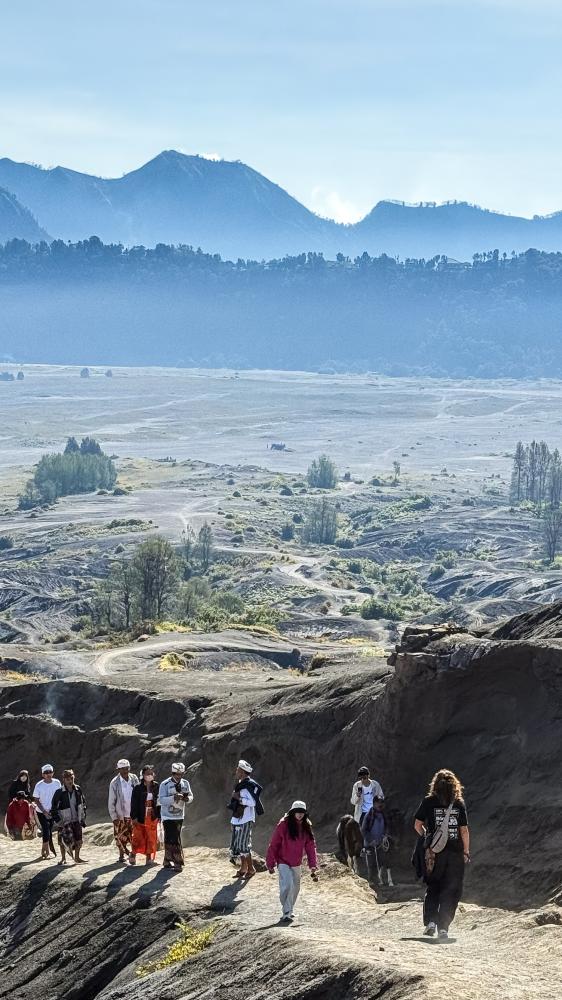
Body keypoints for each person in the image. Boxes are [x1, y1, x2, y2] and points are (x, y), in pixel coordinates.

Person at [414, 768, 470, 940]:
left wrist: (429, 839)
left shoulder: (428, 801)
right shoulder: (458, 804)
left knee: (433, 888)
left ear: (435, 785)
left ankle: (431, 922)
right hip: (455, 855)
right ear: (455, 786)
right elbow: (464, 831)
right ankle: (443, 928)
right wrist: (466, 851)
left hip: (434, 854)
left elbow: (417, 825)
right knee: (450, 890)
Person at [266, 800, 319, 924]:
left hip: (296, 862)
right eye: (297, 812)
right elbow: (274, 844)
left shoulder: (306, 826)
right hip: (283, 860)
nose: (299, 814)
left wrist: (313, 865)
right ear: (292, 812)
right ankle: (286, 912)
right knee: (288, 885)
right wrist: (270, 862)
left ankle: (289, 908)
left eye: (302, 812)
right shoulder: (283, 824)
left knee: (295, 887)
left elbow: (311, 846)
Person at [228, 759, 262, 879]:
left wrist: (239, 798)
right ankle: (243, 868)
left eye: (238, 769)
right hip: (238, 818)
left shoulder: (249, 785)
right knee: (238, 845)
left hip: (246, 819)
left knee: (244, 845)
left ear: (242, 771)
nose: (236, 771)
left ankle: (251, 869)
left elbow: (253, 802)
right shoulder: (240, 783)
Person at [158, 763, 193, 870]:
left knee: (171, 837)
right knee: (174, 838)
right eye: (176, 774)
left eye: (181, 774)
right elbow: (161, 800)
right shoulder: (164, 784)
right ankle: (178, 862)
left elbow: (191, 796)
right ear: (172, 773)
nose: (179, 776)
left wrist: (187, 799)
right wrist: (173, 798)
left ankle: (167, 860)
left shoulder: (185, 783)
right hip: (167, 816)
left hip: (179, 815)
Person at [51, 769, 87, 865]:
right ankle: (63, 859)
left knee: (79, 840)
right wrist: (58, 821)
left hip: (76, 819)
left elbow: (83, 803)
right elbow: (53, 808)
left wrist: (83, 817)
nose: (70, 781)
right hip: (64, 821)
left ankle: (77, 857)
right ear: (64, 780)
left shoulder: (78, 789)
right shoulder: (59, 792)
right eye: (67, 779)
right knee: (63, 841)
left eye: (71, 778)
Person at [108, 758, 139, 862]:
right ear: (119, 770)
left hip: (133, 814)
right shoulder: (114, 783)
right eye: (122, 769)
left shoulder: (134, 778)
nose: (125, 771)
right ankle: (122, 855)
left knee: (134, 836)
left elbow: (139, 794)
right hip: (121, 815)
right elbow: (111, 801)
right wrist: (114, 817)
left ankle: (132, 856)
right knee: (120, 837)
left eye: (127, 768)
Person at [130, 764, 160, 865]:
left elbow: (159, 801)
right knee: (138, 836)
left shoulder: (156, 786)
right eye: (147, 774)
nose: (150, 775)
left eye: (151, 773)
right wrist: (133, 817)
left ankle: (148, 858)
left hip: (152, 815)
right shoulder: (137, 788)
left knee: (150, 837)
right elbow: (133, 803)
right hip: (140, 815)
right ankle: (133, 855)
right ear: (143, 775)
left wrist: (159, 814)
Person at [362, 797, 394, 886]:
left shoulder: (383, 814)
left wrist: (386, 835)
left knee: (380, 861)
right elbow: (364, 830)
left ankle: (379, 881)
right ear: (374, 803)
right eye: (378, 803)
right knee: (371, 863)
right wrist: (370, 840)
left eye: (381, 803)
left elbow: (387, 826)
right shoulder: (369, 815)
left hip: (380, 843)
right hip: (370, 844)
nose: (380, 805)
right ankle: (371, 882)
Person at [33, 764, 61, 860]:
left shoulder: (57, 783)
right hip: (41, 811)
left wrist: (57, 809)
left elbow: (59, 796)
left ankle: (46, 850)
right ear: (43, 774)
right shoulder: (39, 785)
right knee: (46, 829)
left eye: (50, 772)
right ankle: (45, 851)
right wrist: (44, 811)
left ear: (53, 773)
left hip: (52, 811)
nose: (48, 774)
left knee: (49, 830)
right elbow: (36, 799)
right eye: (46, 773)